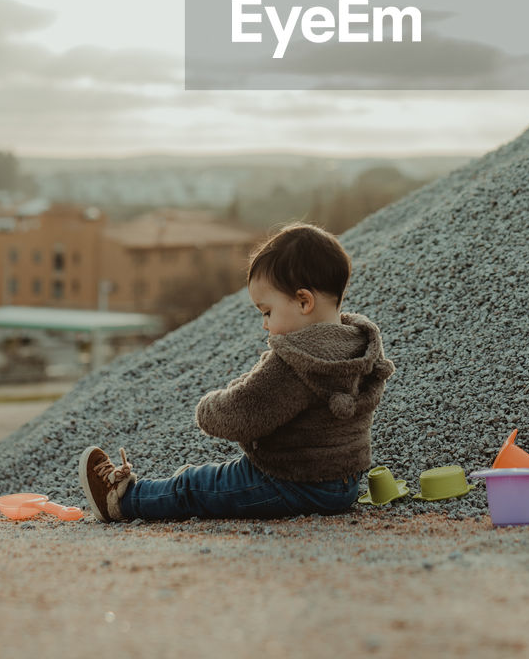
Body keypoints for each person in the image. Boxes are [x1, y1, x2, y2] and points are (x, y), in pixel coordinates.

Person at [78, 221, 395, 522]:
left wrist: (208, 407)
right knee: (209, 480)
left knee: (194, 485)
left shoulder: (295, 362)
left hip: (292, 482)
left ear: (303, 301)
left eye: (268, 311)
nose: (265, 323)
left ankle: (122, 501)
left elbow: (242, 415)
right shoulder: (358, 346)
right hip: (342, 485)